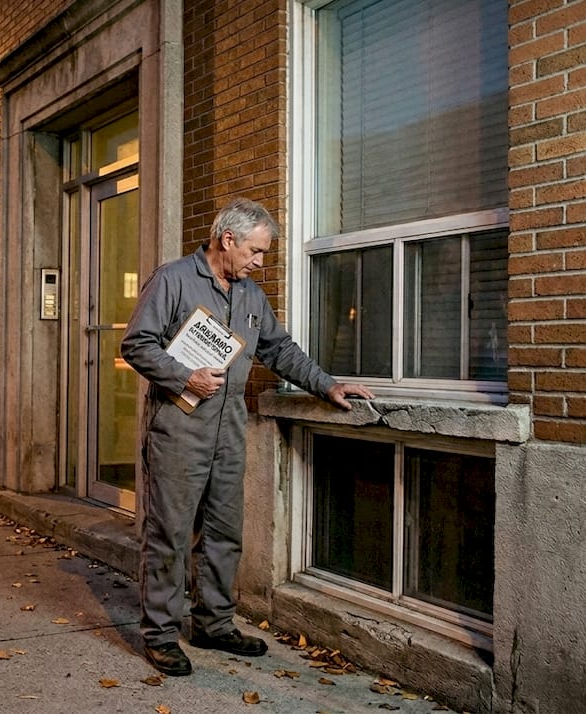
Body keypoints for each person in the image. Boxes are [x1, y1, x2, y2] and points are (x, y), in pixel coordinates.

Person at [120, 198, 374, 677]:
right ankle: (160, 634)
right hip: (178, 426)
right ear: (227, 239)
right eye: (256, 251)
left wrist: (327, 384)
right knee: (170, 533)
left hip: (230, 426)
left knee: (223, 531)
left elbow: (279, 349)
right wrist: (183, 376)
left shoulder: (251, 296)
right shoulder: (173, 279)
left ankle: (213, 624)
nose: (260, 262)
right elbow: (136, 343)